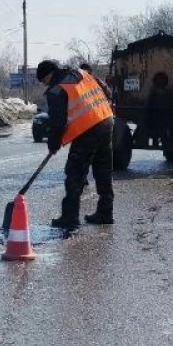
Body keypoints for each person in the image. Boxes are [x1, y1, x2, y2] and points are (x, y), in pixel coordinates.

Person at [38, 59, 115, 229]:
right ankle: (105, 212)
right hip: (106, 120)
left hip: (87, 129)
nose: (46, 85)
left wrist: (53, 142)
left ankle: (70, 217)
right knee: (103, 170)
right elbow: (107, 91)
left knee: (74, 173)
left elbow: (57, 122)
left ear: (49, 75)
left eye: (44, 81)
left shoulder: (57, 89)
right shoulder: (82, 73)